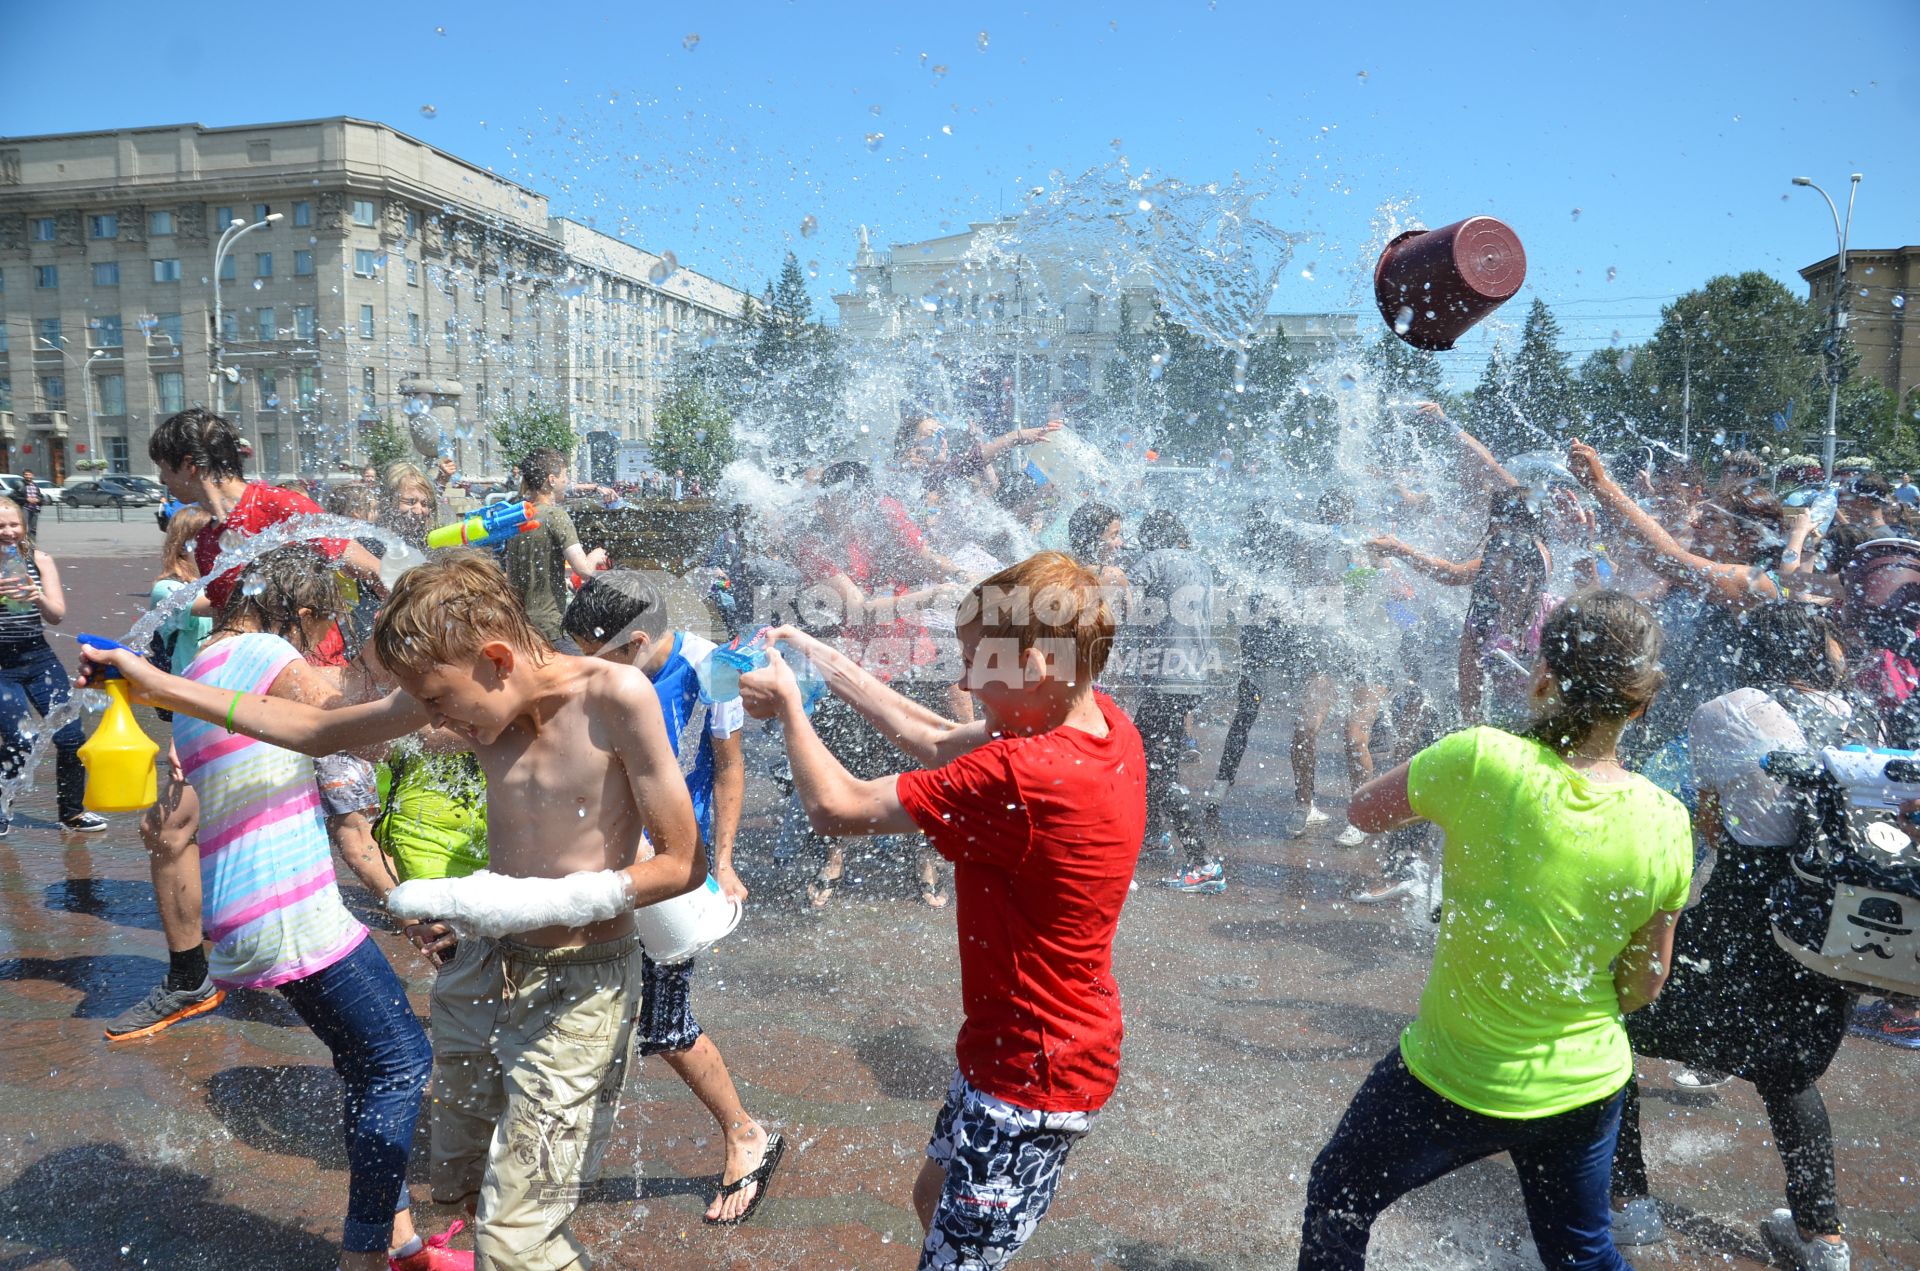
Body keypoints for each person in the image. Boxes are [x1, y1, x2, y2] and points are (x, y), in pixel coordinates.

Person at [83, 553, 705, 1270]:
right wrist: (157, 683)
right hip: (485, 969)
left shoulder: (615, 696)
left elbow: (682, 861)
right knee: (461, 1184)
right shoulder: (469, 685)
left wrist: (540, 900)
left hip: (580, 983)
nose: (430, 722)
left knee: (517, 1235)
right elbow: (313, 729)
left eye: (439, 703)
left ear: (496, 658)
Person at [738, 550, 1147, 1271]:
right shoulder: (1101, 723)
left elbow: (837, 808)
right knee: (933, 1198)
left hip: (1031, 1077)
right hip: (1009, 1049)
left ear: (1037, 665)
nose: (962, 680)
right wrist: (824, 660)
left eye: (976, 662)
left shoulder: (1025, 774)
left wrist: (793, 708)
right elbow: (930, 738)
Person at [1296, 589, 1692, 1271]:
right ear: (1640, 702)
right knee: (1583, 1250)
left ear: (1542, 675)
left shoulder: (1480, 760)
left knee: (1341, 1193)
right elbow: (1644, 983)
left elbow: (1364, 812)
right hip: (1584, 1084)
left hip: (1451, 1072)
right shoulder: (1665, 820)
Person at [111, 545, 464, 1270]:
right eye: (318, 628)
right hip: (288, 911)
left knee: (366, 1063)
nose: (317, 645)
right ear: (297, 614)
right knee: (401, 1060)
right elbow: (342, 722)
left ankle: (397, 1238)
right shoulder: (264, 648)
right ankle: (365, 1253)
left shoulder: (201, 665)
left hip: (248, 909)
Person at [109, 407, 383, 1042]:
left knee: (353, 832)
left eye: (164, 470)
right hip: (242, 693)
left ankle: (432, 932)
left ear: (190, 466)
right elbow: (226, 616)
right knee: (169, 824)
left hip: (310, 685)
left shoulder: (280, 504)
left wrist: (398, 645)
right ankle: (187, 977)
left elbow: (366, 565)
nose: (164, 485)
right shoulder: (209, 539)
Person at [1608, 603, 1863, 1270]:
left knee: (1613, 1028)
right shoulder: (1857, 718)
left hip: (1744, 922)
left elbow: (1712, 824)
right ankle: (1823, 1239)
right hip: (1830, 937)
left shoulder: (1728, 710)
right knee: (1788, 1071)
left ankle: (1629, 1203)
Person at [562, 572, 782, 1226]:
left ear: (633, 642)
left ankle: (745, 1133)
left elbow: (731, 762)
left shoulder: (711, 668)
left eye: (589, 654)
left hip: (675, 861)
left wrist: (727, 862)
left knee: (666, 1022)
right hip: (615, 852)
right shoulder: (604, 670)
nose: (579, 667)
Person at [1278, 492, 1391, 846]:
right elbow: (1302, 596)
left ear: (1351, 512)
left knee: (1354, 736)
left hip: (1371, 650)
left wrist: (1369, 574)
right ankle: (1304, 805)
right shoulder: (1310, 548)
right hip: (1327, 648)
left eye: (1338, 513)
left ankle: (1362, 815)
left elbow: (1395, 590)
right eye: (1326, 514)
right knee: (1304, 728)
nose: (1331, 521)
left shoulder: (1368, 541)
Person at [0, 495, 104, 835]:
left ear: (24, 526)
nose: (8, 531)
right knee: (19, 739)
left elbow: (56, 615)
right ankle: (2, 808)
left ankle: (72, 812)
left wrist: (37, 594)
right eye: (1, 526)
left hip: (39, 658)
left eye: (14, 524)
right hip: (1, 667)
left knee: (72, 736)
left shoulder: (40, 560)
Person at [1127, 510, 1220, 892]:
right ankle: (1153, 836)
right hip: (1191, 676)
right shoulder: (1201, 564)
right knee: (1150, 758)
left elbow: (1123, 603)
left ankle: (1203, 863)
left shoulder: (1154, 559)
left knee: (1152, 767)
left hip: (1165, 677)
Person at [503, 447, 607, 650]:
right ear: (551, 480)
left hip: (519, 625)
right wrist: (596, 555)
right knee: (589, 676)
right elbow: (584, 570)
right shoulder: (555, 516)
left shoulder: (518, 517)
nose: (566, 481)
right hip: (550, 627)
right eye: (564, 475)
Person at [18, 469, 40, 538]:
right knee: (25, 527)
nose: (28, 476)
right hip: (25, 508)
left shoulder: (35, 485)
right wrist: (26, 500)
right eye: (26, 475)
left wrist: (38, 500)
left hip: (35, 508)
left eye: (29, 475)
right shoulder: (20, 485)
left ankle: (32, 545)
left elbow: (40, 496)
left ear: (33, 476)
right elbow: (14, 496)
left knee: (33, 528)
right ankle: (24, 545)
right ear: (23, 476)